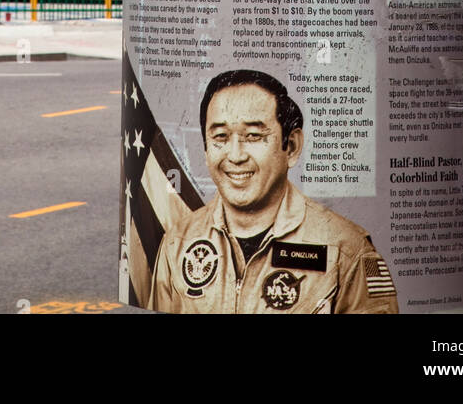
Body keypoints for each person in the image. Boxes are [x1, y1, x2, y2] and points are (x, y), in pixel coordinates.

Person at [149, 70, 398, 315]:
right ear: (205, 149)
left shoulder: (346, 250)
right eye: (221, 137)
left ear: (291, 147)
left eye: (254, 136)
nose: (235, 156)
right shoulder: (177, 242)